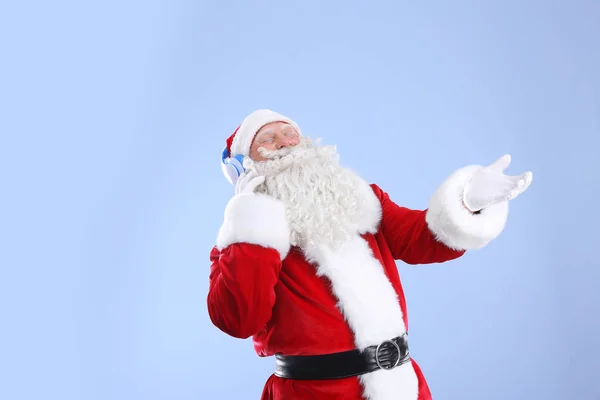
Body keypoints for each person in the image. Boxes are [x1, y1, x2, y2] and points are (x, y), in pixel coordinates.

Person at [207, 109, 533, 400]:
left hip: (400, 386)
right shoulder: (244, 239)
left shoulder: (361, 200)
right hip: (312, 393)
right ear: (244, 166)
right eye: (267, 139)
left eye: (288, 132)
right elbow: (238, 318)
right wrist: (252, 212)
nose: (284, 142)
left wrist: (469, 203)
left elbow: (422, 238)